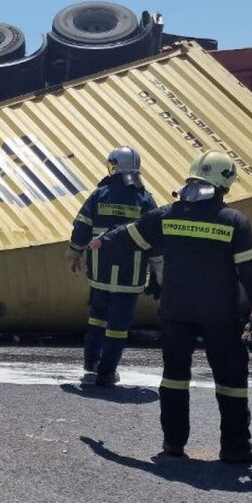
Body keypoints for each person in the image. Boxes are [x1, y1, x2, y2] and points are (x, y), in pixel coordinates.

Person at [91, 150, 252, 464]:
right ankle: (235, 446)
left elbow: (127, 236)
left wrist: (99, 242)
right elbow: (250, 273)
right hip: (222, 315)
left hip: (176, 312)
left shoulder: (166, 215)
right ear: (225, 184)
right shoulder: (234, 222)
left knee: (174, 378)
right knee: (230, 381)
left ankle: (173, 444)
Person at [66, 146, 160, 386]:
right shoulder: (144, 198)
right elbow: (156, 235)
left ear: (114, 165)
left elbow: (82, 226)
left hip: (101, 271)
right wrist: (159, 269)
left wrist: (74, 253)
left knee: (98, 315)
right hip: (131, 274)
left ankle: (91, 361)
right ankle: (106, 372)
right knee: (119, 323)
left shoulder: (101, 194)